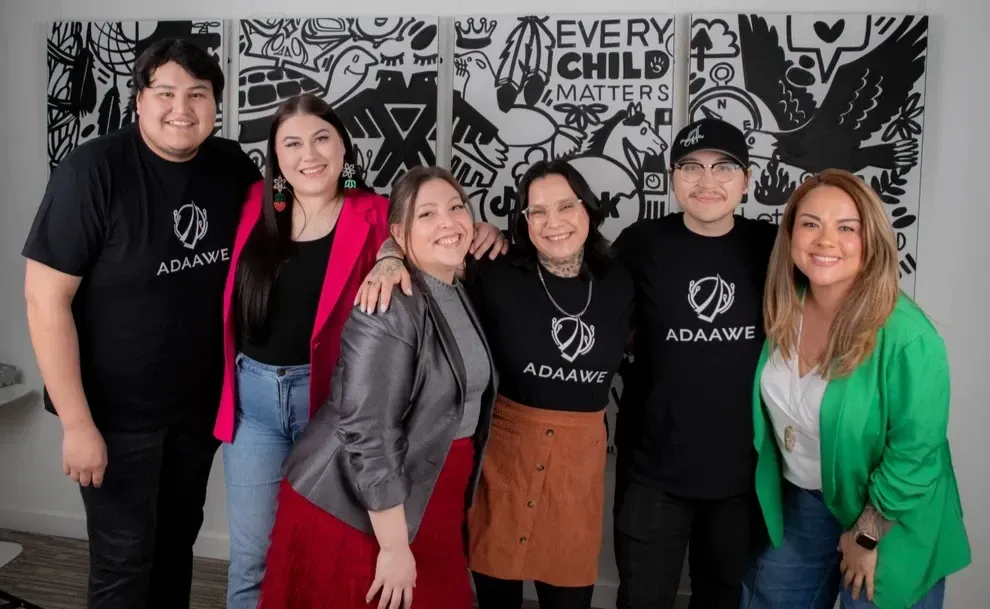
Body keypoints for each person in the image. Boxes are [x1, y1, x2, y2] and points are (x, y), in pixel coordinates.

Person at [213, 95, 507, 608]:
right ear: (276, 158)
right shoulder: (255, 205)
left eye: (322, 138)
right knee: (254, 558)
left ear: (344, 146)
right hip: (254, 400)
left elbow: (414, 235)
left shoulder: (372, 212)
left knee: (337, 548)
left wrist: (391, 259)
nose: (310, 154)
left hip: (327, 394)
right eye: (293, 143)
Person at [22, 38, 261, 609]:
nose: (182, 107)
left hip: (197, 412)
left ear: (216, 104)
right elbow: (44, 301)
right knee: (123, 565)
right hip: (113, 418)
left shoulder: (233, 167)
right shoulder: (92, 170)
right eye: (166, 92)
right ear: (139, 100)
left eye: (198, 94)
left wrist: (390, 249)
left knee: (175, 552)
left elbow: (315, 207)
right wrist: (77, 425)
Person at [357, 159, 636, 609]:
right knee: (494, 595)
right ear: (523, 220)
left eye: (567, 206)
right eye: (537, 211)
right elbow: (427, 250)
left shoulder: (623, 279)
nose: (554, 222)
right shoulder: (496, 268)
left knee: (569, 597)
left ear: (589, 209)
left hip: (577, 467)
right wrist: (388, 259)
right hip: (502, 458)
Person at [740, 169, 971, 609]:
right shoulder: (783, 306)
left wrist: (865, 536)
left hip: (888, 514)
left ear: (872, 240)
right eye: (810, 223)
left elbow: (915, 455)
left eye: (847, 227)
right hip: (807, 501)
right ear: (790, 236)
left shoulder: (908, 337)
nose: (825, 240)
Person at [610, 117, 777, 609]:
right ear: (672, 175)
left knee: (723, 598)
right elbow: (571, 288)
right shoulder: (640, 244)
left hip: (741, 474)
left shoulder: (771, 248)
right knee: (642, 599)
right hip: (651, 470)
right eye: (691, 167)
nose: (707, 182)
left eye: (724, 167)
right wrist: (493, 237)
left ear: (746, 179)